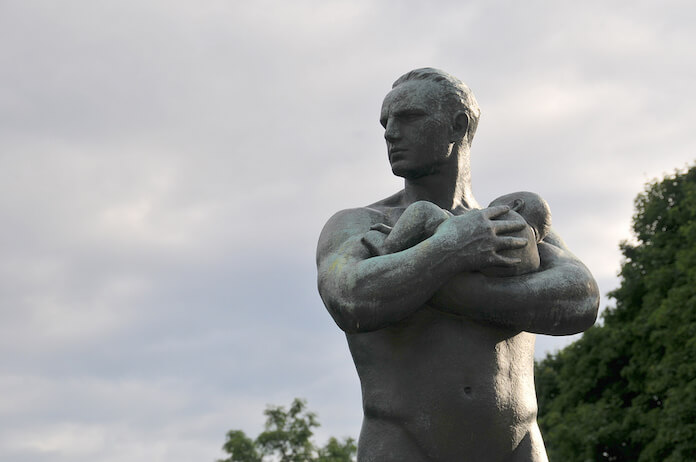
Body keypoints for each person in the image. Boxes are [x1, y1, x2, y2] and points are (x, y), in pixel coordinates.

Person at [316, 68, 599, 461]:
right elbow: (351, 296)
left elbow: (580, 299)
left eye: (409, 117)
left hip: (517, 447)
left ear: (458, 125)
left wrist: (434, 279)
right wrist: (451, 248)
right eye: (386, 122)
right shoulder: (357, 223)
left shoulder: (510, 224)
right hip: (404, 444)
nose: (390, 132)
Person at [362, 191, 551, 277]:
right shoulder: (533, 257)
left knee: (423, 210)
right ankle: (401, 238)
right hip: (490, 269)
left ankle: (388, 247)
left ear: (516, 205)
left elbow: (461, 227)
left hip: (466, 249)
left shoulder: (507, 217)